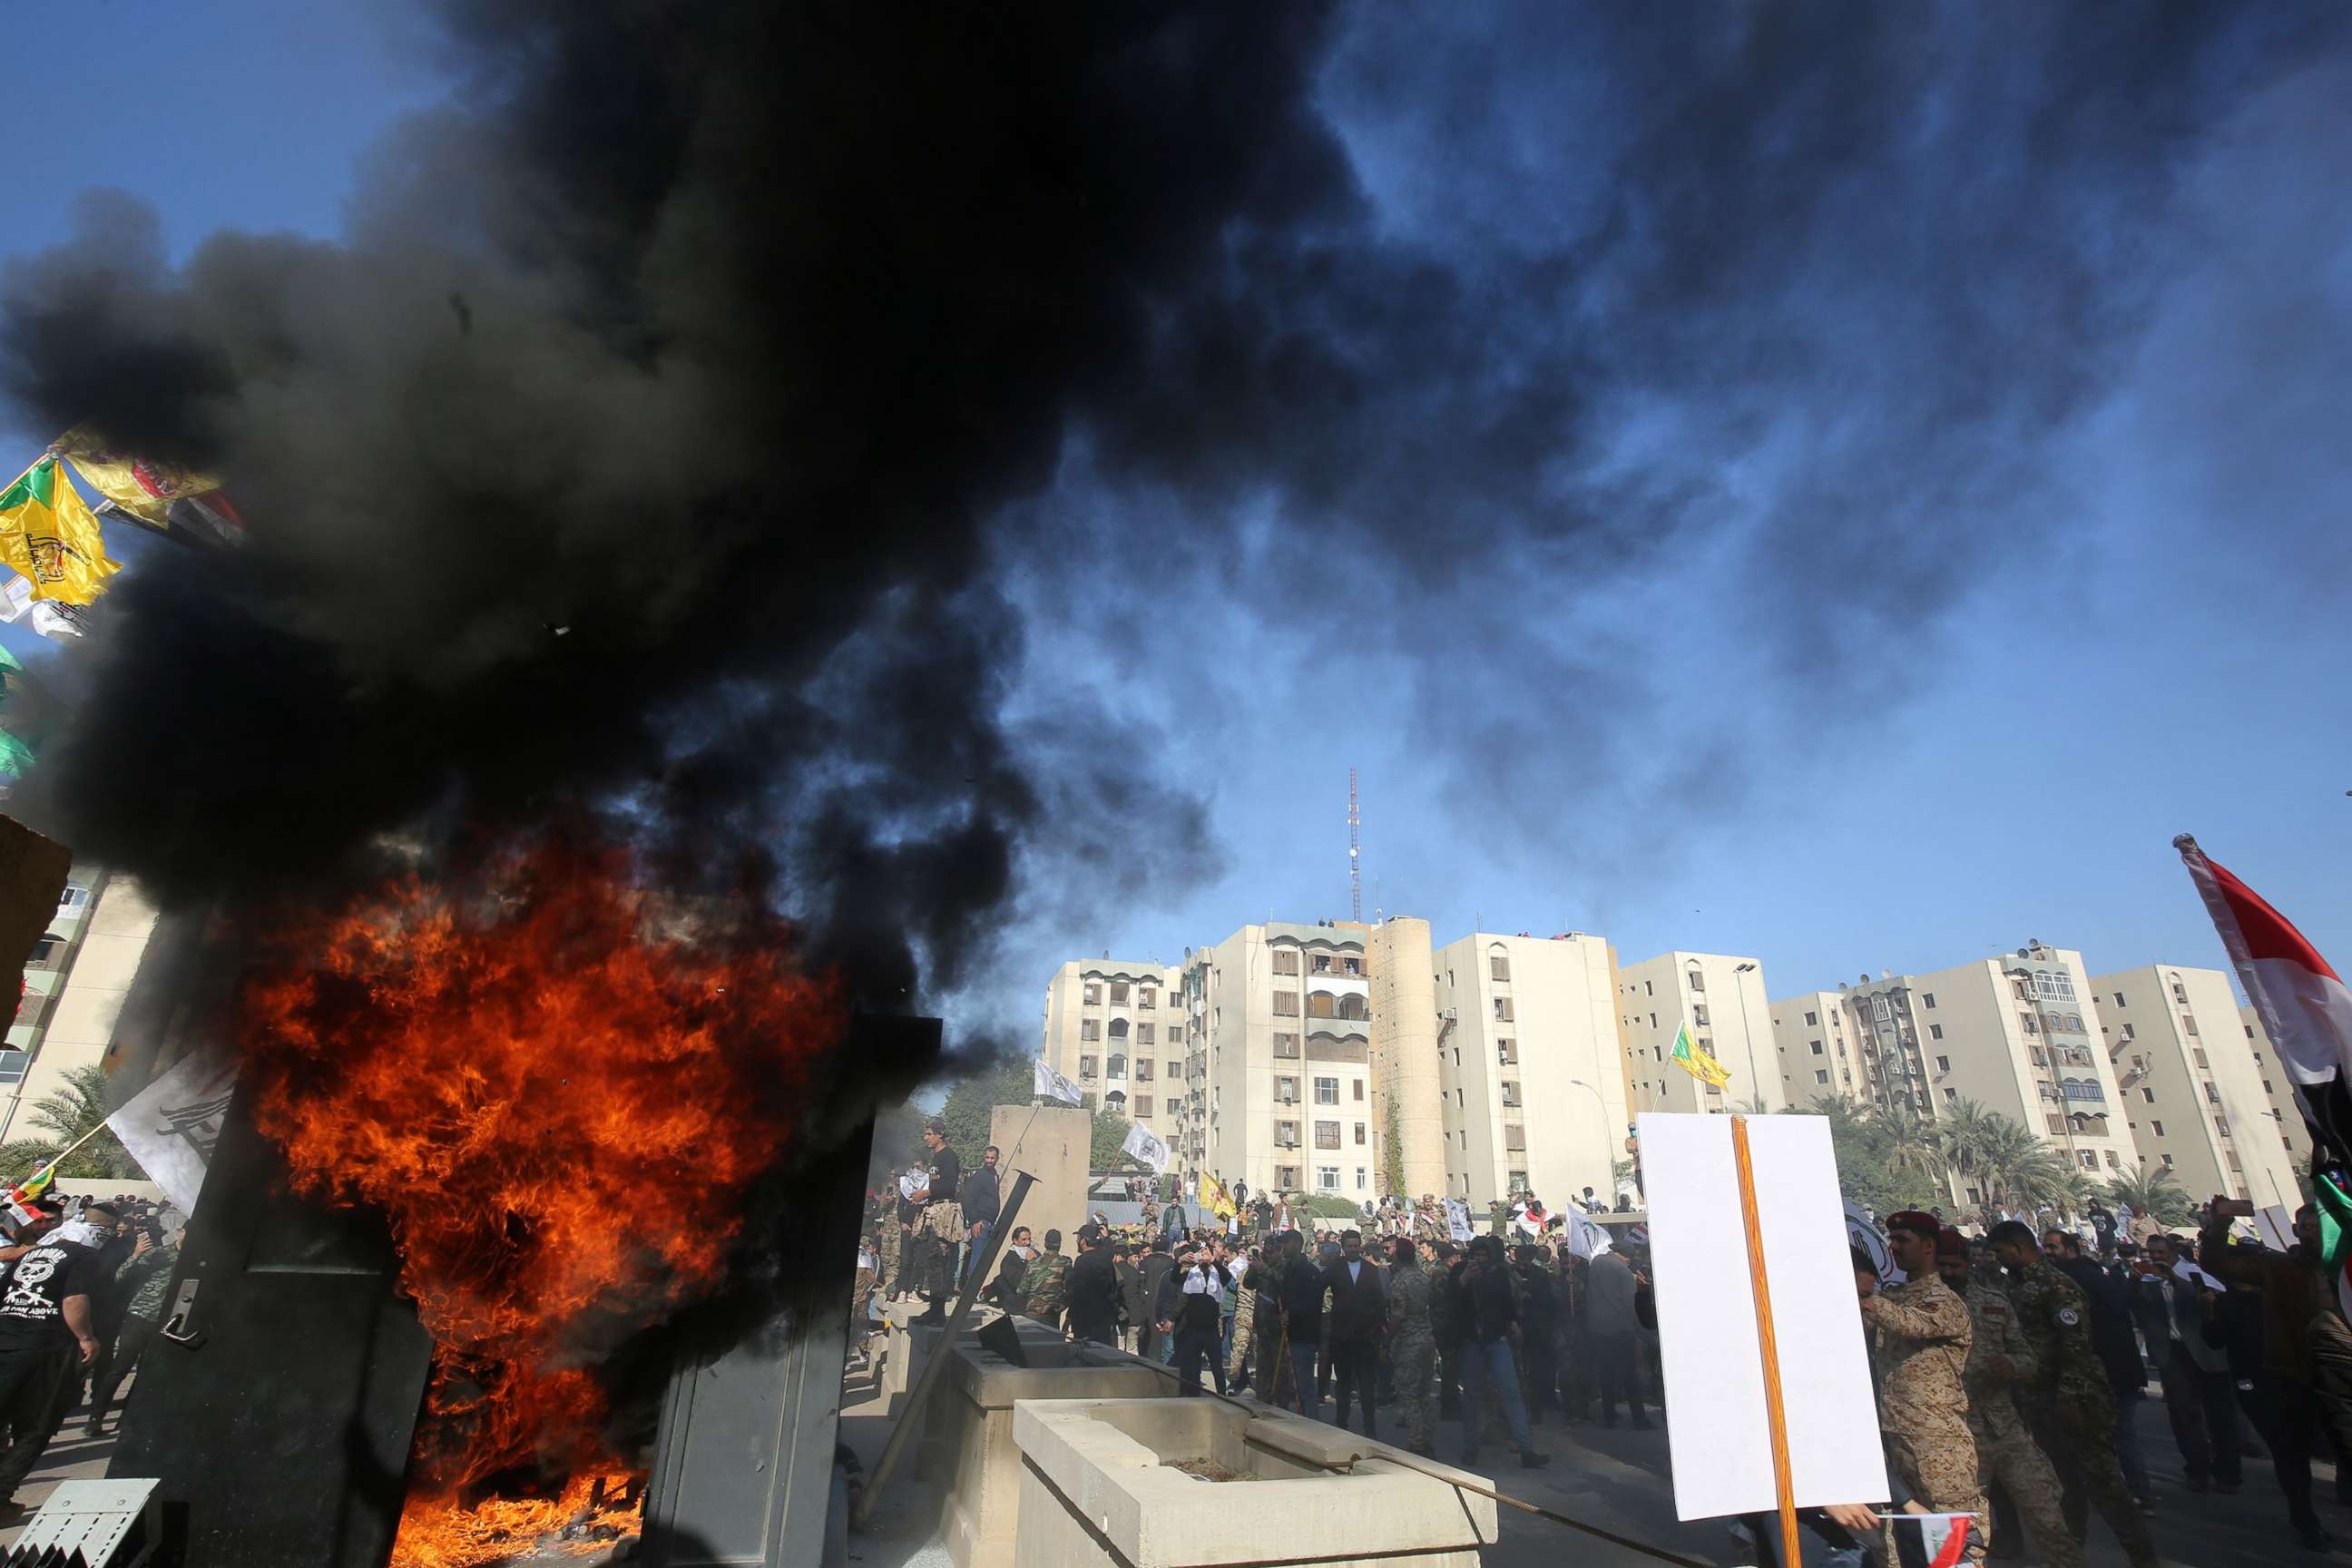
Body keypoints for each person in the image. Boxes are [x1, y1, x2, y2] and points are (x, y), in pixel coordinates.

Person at [1987, 1220, 2158, 1568]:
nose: (2000, 1260)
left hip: (2075, 1401)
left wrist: (2070, 1397)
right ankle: (2070, 1554)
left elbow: (2076, 1345)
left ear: (2018, 1247)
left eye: (2002, 1252)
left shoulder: (2057, 1286)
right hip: (2040, 1400)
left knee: (2104, 1484)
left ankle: (2142, 1557)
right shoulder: (2016, 1285)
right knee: (2064, 1483)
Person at [2194, 1200, 2349, 1550]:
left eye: (2319, 1228)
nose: (2313, 1234)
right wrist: (2219, 1224)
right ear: (2295, 1231)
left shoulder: (2343, 1267)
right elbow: (2215, 1262)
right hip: (2294, 1375)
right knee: (2292, 1454)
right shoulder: (2276, 1268)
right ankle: (2305, 1520)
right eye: (2307, 1227)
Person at [1936, 1226, 2079, 1568]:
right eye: (1943, 1265)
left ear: (1968, 1263)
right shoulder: (1922, 1307)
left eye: (1955, 1265)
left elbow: (2028, 1357)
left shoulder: (1994, 1302)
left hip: (2005, 1428)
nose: (1949, 1273)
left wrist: (2012, 1365)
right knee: (1962, 1528)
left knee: (2046, 1512)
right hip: (1957, 1433)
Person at [1860, 1211, 1984, 1560]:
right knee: (1897, 1545)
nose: (1893, 1247)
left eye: (1903, 1240)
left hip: (1937, 1443)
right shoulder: (1893, 1297)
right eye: (1892, 1239)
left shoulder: (1945, 1302)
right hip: (1894, 1436)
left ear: (1928, 1247)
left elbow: (1912, 1324)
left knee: (1952, 1546)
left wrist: (1867, 1298)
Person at [0, 1200, 102, 1519]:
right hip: (45, 1349)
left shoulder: (27, 1255)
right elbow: (73, 1299)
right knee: (37, 1427)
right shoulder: (83, 1255)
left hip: (5, 1340)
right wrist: (86, 1337)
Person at [2133, 1233, 2239, 1494]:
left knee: (2219, 1415)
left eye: (2161, 1253)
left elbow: (2216, 1297)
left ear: (2173, 1253)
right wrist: (2133, 1282)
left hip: (2204, 1352)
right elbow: (2136, 1308)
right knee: (2183, 1415)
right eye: (2152, 1252)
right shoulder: (2146, 1278)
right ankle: (2197, 1468)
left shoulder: (2191, 1273)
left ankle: (2227, 1472)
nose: (2156, 1258)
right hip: (2172, 1353)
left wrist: (2176, 1281)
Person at [1447, 1235, 1548, 1469]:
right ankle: (1471, 1448)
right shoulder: (1460, 1271)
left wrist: (1512, 1322)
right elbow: (1451, 1300)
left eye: (1484, 1255)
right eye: (1476, 1255)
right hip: (1471, 1341)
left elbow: (1506, 1302)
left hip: (1496, 1339)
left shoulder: (1499, 1273)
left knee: (1511, 1393)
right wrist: (1465, 1278)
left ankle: (1526, 1450)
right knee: (1472, 1396)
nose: (1480, 1260)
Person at [1323, 1229, 1386, 1437]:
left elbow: (1379, 1301)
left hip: (1365, 1336)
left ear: (1360, 1246)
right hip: (1341, 1336)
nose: (1352, 1249)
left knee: (1367, 1384)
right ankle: (1342, 1423)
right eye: (1348, 1246)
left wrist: (1377, 1328)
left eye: (1355, 1246)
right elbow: (1317, 1288)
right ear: (1343, 1247)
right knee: (1343, 1383)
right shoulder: (1335, 1268)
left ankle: (1370, 1427)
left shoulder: (1370, 1270)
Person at [1387, 1235, 1439, 1456]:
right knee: (1425, 1392)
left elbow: (1398, 1317)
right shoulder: (1423, 1277)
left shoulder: (1400, 1281)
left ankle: (1417, 1440)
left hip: (1409, 1341)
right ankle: (1426, 1435)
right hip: (1427, 1338)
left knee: (1408, 1392)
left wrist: (1386, 1340)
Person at [1583, 1248, 1649, 1427]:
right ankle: (1639, 1418)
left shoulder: (1596, 1263)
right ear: (1624, 1256)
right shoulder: (1623, 1272)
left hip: (1598, 1327)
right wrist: (1641, 1329)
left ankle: (1609, 1415)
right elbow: (1630, 1304)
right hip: (1620, 1329)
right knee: (1629, 1375)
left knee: (1606, 1373)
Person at [906, 1121, 963, 1324]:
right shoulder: (937, 1157)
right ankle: (934, 1308)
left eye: (929, 1134)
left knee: (937, 1259)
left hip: (943, 1213)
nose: (926, 1137)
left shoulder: (948, 1156)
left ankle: (937, 1311)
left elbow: (948, 1185)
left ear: (940, 1134)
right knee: (931, 1259)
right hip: (933, 1210)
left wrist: (926, 1192)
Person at [1166, 1241, 1231, 1396]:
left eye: (1205, 1254)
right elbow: (1175, 1278)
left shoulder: (1216, 1272)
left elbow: (1227, 1278)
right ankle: (1193, 1394)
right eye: (1200, 1255)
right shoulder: (1191, 1273)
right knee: (1193, 1366)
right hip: (1193, 1329)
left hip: (1211, 1329)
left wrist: (1213, 1260)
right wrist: (1179, 1261)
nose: (1203, 1258)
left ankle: (1222, 1394)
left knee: (1217, 1367)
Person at [1276, 1231, 1326, 1417]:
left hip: (1304, 1335)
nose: (1284, 1247)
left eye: (1287, 1243)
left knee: (1304, 1387)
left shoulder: (1309, 1271)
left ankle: (1311, 1426)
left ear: (1297, 1243)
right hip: (1289, 1332)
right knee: (1289, 1387)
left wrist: (1292, 1311)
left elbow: (1312, 1302)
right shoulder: (1287, 1269)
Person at [1065, 1223, 1123, 1348]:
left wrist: (1069, 1314)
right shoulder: (1106, 1260)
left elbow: (1077, 1291)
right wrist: (1107, 1238)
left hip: (1085, 1320)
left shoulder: (1082, 1261)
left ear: (1083, 1241)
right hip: (1104, 1318)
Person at [958, 1145, 1002, 1292]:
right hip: (981, 1223)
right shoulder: (980, 1175)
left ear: (997, 1159)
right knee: (976, 1259)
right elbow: (969, 1199)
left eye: (992, 1158)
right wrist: (975, 1220)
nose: (989, 1160)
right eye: (987, 1157)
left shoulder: (994, 1175)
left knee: (983, 1260)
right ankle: (970, 1292)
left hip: (990, 1223)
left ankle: (974, 1290)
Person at [1022, 1229, 1071, 1328]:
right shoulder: (1065, 1263)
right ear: (1059, 1244)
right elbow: (1071, 1290)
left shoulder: (1032, 1263)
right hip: (1051, 1315)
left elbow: (1021, 1290)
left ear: (1045, 1243)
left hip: (1032, 1314)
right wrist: (1061, 1305)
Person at [1112, 1242, 1147, 1354]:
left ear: (1117, 1255)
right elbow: (1141, 1295)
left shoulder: (1113, 1271)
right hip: (1135, 1314)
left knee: (1119, 1348)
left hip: (1119, 1314)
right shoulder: (1135, 1272)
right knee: (1132, 1349)